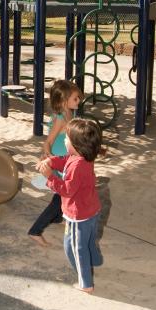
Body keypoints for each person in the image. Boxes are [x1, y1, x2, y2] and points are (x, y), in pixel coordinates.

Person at [38, 118, 103, 293]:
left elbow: (66, 190)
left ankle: (86, 284)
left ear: (76, 144)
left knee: (74, 248)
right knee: (89, 241)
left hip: (78, 216)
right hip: (91, 209)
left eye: (66, 138)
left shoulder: (77, 165)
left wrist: (50, 177)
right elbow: (66, 160)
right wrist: (51, 161)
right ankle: (96, 261)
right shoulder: (82, 157)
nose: (65, 140)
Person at [28, 79, 81, 247]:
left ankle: (58, 217)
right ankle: (35, 230)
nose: (78, 101)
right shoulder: (60, 118)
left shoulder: (69, 113)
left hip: (66, 159)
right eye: (75, 98)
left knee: (63, 192)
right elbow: (48, 141)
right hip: (59, 160)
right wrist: (48, 156)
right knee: (61, 194)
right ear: (64, 101)